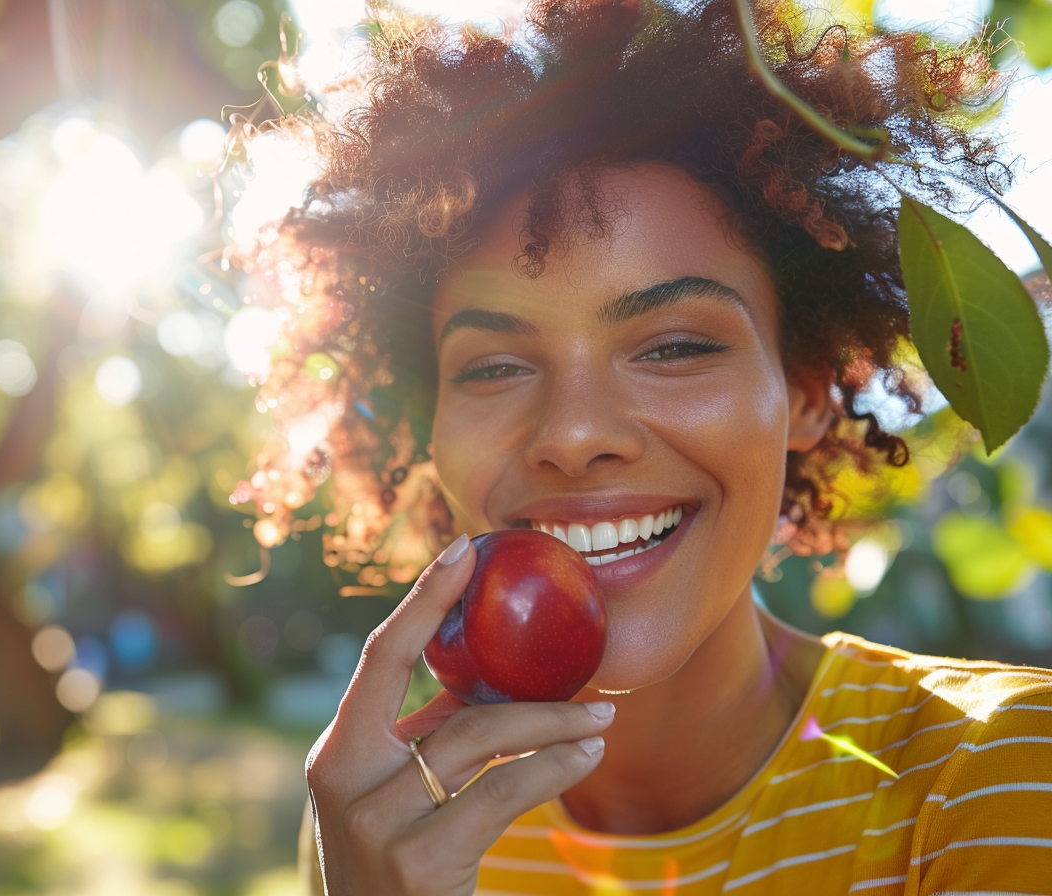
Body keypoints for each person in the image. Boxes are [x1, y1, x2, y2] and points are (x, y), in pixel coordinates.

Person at [228, 0, 1052, 891]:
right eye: (496, 366)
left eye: (674, 347)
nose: (574, 435)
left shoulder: (1003, 776)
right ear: (429, 432)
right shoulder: (380, 831)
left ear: (807, 391)